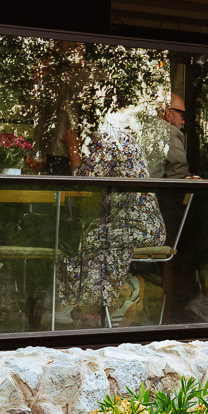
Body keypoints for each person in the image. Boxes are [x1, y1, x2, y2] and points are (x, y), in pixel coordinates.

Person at [55, 119, 166, 327]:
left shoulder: (109, 139)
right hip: (145, 226)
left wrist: (72, 147)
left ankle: (85, 304)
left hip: (139, 228)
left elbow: (84, 178)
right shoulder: (123, 139)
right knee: (88, 234)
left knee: (83, 238)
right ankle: (104, 301)